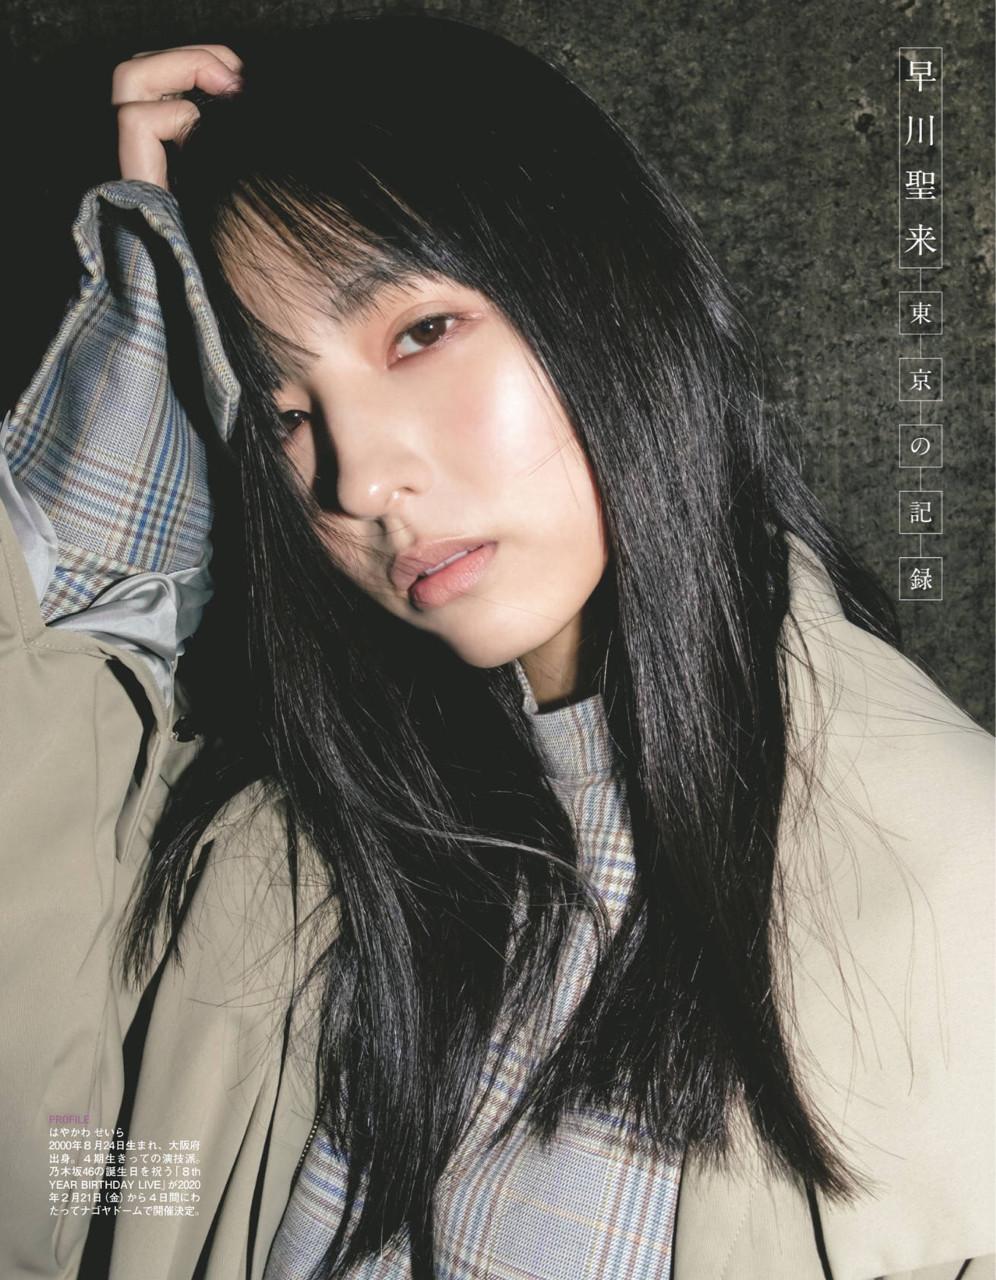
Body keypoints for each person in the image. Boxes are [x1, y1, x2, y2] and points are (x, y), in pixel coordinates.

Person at [0, 16, 992, 1280]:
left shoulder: (949, 905)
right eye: (288, 413)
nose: (358, 480)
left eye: (418, 333)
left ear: (603, 285)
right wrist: (134, 378)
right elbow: (62, 1183)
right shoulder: (302, 856)